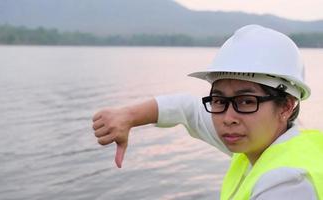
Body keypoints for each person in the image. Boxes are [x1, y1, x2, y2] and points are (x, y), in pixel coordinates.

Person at [92, 25, 323, 199]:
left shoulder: (289, 184)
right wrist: (128, 116)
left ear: (286, 106)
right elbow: (185, 108)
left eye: (246, 101)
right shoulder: (268, 140)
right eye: (218, 100)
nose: (227, 119)